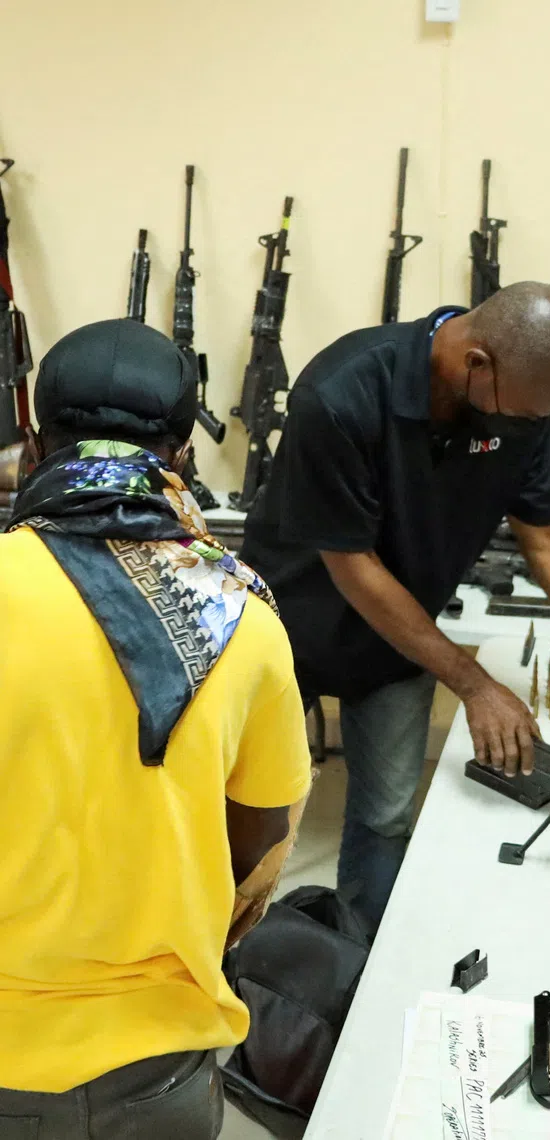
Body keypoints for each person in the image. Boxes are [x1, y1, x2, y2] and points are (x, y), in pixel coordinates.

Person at [241, 281, 550, 936]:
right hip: (284, 634)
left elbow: (549, 540)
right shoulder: (341, 393)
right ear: (476, 362)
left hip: (396, 645)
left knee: (383, 818)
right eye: (520, 415)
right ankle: (225, 973)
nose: (526, 428)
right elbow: (353, 567)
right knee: (253, 813)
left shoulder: (517, 410)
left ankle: (355, 965)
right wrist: (474, 685)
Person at [0, 320, 312, 1140]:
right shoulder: (245, 617)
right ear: (180, 452)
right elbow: (261, 846)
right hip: (156, 1069)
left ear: (34, 441)